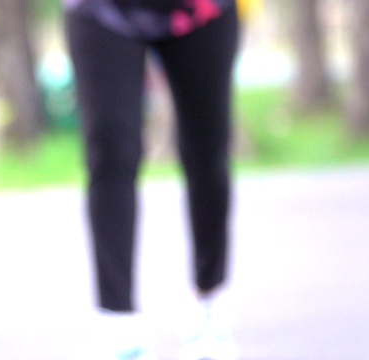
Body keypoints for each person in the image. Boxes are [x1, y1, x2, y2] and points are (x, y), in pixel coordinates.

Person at [63, 0, 239, 359]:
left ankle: (208, 304)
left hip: (201, 10)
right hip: (101, 10)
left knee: (208, 153)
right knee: (110, 151)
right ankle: (118, 323)